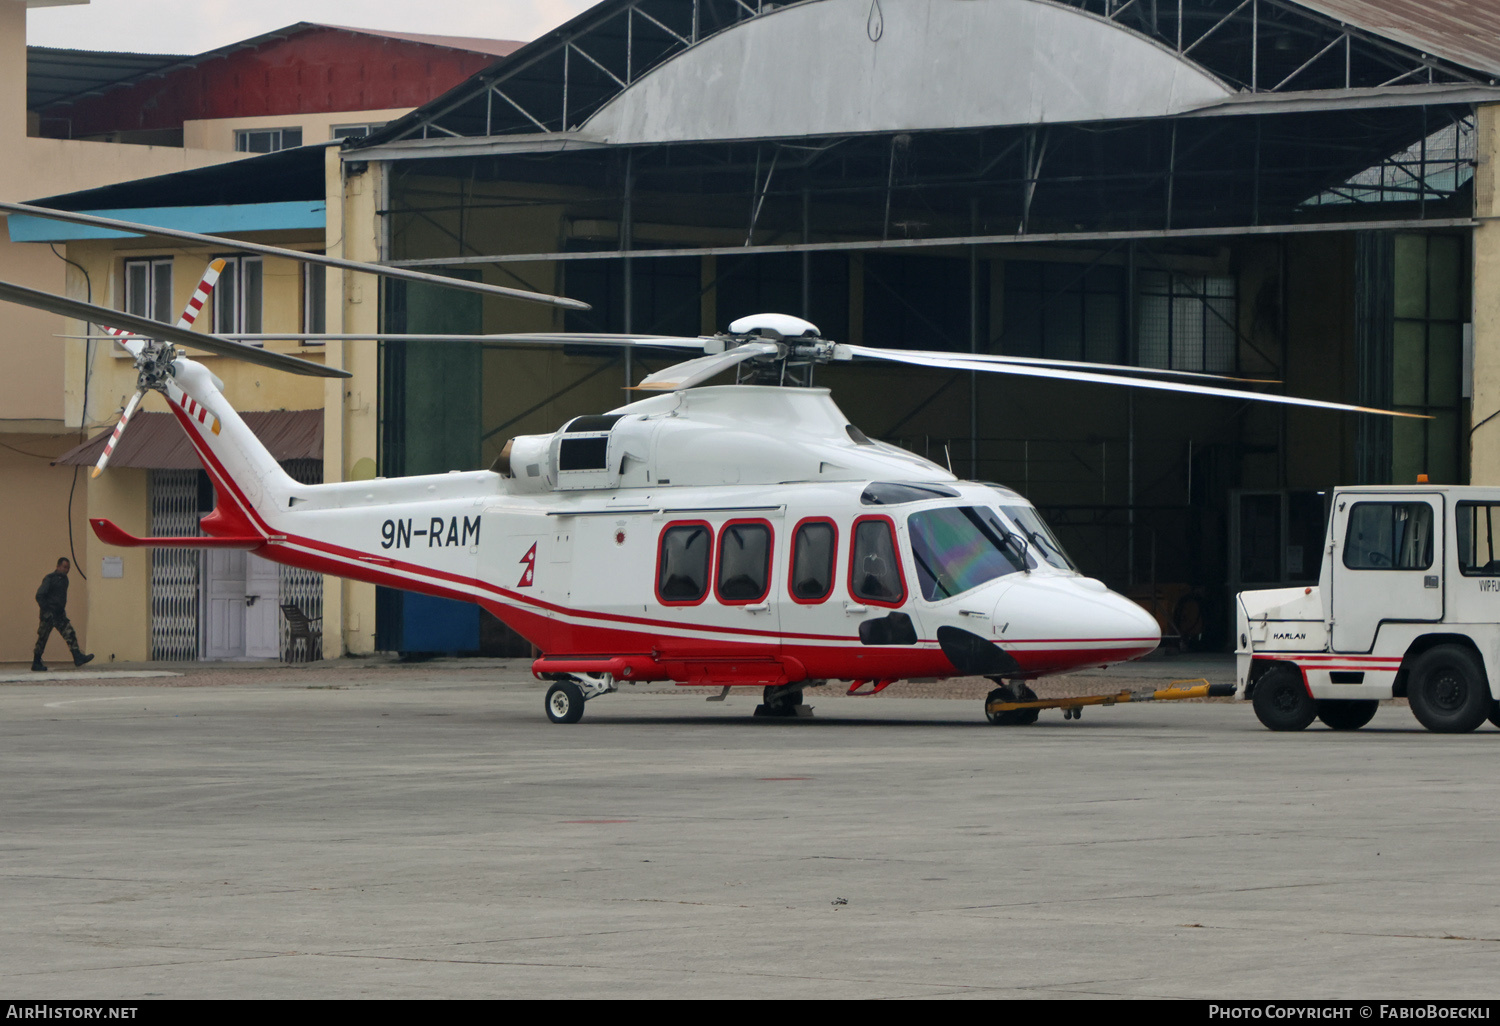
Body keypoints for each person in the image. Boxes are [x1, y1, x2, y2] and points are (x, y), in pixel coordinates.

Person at [33, 557, 93, 671]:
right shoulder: (50, 579)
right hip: (49, 614)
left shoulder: (65, 580)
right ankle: (36, 662)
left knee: (70, 633)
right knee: (42, 638)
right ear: (58, 566)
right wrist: (47, 609)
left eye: (68, 568)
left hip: (59, 614)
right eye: (64, 567)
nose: (66, 570)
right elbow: (39, 595)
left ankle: (77, 656)